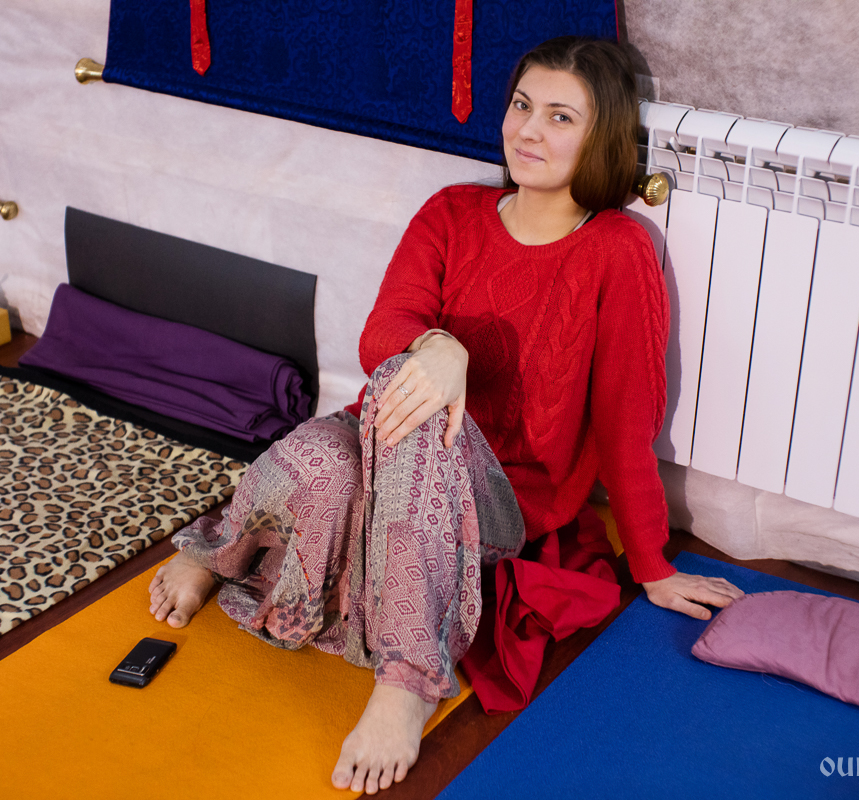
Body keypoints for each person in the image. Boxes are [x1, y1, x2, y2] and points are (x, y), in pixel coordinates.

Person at [148, 35, 744, 795]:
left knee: (424, 401)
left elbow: (628, 421)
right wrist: (441, 348)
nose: (528, 130)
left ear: (602, 137)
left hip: (492, 499)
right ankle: (218, 551)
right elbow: (382, 332)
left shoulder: (618, 250)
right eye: (522, 105)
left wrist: (653, 566)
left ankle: (406, 681)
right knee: (326, 450)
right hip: (380, 443)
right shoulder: (453, 211)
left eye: (560, 117)